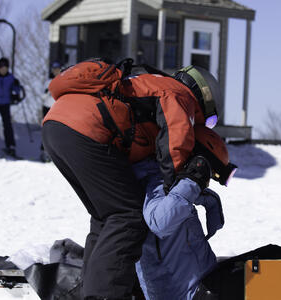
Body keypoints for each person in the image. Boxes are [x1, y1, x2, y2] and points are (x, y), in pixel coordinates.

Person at [42, 59, 223, 300]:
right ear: (204, 98)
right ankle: (105, 296)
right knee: (127, 216)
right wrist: (178, 184)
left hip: (57, 126)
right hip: (86, 129)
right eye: (207, 121)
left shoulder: (146, 84)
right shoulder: (179, 93)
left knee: (105, 218)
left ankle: (91, 292)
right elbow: (175, 140)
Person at [134, 126, 236, 300]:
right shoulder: (157, 182)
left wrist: (208, 200)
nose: (206, 181)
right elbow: (159, 223)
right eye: (208, 174)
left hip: (203, 284)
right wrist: (192, 182)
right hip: (184, 294)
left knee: (272, 256)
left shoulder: (177, 187)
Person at [39, 61, 62, 162]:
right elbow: (42, 97)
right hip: (47, 108)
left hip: (58, 108)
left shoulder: (63, 80)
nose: (56, 71)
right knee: (47, 130)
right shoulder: (48, 82)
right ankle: (44, 151)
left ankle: (57, 153)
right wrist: (48, 92)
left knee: (58, 130)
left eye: (58, 69)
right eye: (54, 69)